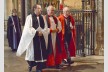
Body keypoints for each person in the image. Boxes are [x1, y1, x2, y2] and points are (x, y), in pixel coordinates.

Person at [16, 4, 49, 72]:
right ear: (34, 9)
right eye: (39, 8)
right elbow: (28, 28)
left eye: (40, 8)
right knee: (32, 54)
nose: (41, 10)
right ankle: (31, 65)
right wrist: (37, 32)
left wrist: (42, 32)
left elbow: (45, 27)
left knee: (41, 54)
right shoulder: (29, 17)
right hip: (33, 38)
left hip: (41, 38)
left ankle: (39, 68)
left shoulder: (42, 17)